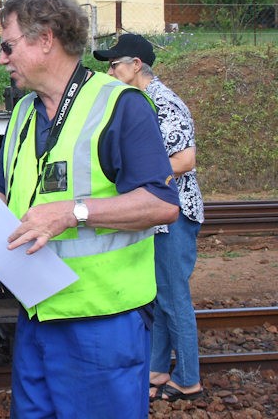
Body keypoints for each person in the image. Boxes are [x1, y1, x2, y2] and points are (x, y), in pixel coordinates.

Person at [0, 0, 180, 419]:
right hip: (37, 315)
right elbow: (7, 196)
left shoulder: (121, 106)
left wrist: (74, 212)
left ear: (45, 39)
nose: (1, 58)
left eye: (7, 45)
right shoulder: (24, 113)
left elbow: (162, 204)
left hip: (101, 320)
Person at [94, 33, 205, 402]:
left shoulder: (163, 102)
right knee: (158, 299)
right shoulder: (140, 101)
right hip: (159, 217)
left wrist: (145, 178)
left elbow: (186, 160)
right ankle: (158, 369)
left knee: (174, 299)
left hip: (175, 216)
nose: (108, 70)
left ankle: (189, 379)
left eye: (114, 64)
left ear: (135, 65)